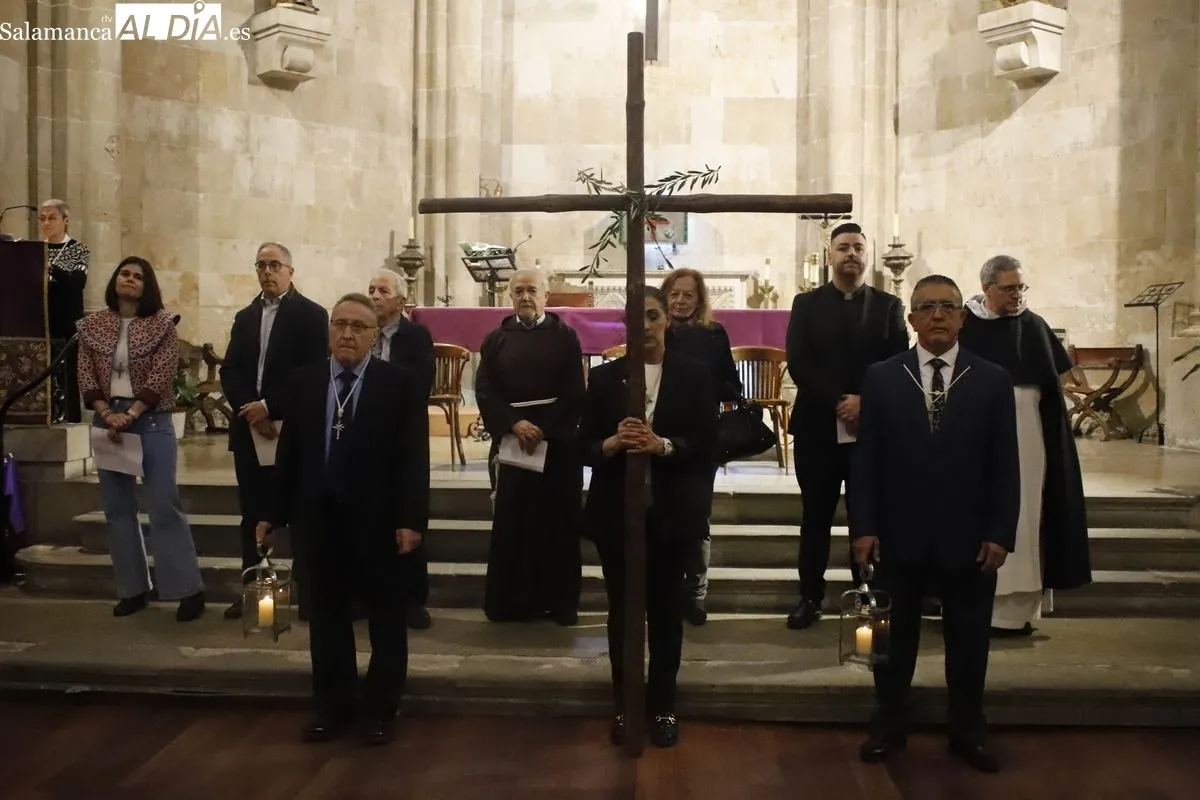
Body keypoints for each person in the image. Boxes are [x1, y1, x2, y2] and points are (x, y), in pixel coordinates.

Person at [850, 275, 1020, 774]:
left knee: (968, 641)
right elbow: (866, 459)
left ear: (963, 317)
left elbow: (1005, 463)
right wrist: (864, 527)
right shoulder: (883, 376)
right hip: (897, 533)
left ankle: (968, 730)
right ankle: (888, 724)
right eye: (927, 307)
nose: (938, 315)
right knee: (890, 640)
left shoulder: (992, 379)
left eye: (947, 306)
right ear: (912, 319)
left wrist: (1000, 531)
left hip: (968, 535)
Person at [258, 293, 430, 746]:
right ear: (329, 330)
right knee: (326, 620)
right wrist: (273, 514)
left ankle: (380, 711)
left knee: (385, 621)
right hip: (319, 518)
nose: (347, 333)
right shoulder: (305, 380)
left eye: (358, 326)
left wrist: (412, 519)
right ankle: (332, 707)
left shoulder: (399, 384)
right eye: (340, 324)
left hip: (379, 520)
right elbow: (289, 453)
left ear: (374, 336)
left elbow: (414, 458)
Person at [582, 286, 717, 749]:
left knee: (664, 616)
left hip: (670, 512)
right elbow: (583, 446)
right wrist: (611, 443)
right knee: (622, 614)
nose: (644, 326)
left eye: (653, 316)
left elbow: (707, 444)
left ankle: (663, 707)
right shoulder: (605, 378)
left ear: (666, 321)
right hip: (616, 514)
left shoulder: (694, 376)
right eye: (635, 317)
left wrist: (664, 445)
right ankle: (625, 705)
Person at [784, 222, 909, 629]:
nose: (851, 253)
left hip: (869, 431)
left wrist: (865, 401)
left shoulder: (888, 306)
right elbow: (798, 362)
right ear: (830, 256)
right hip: (818, 428)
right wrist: (840, 400)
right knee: (815, 518)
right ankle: (810, 597)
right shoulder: (806, 304)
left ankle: (866, 594)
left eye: (858, 247)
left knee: (866, 517)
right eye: (843, 247)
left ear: (866, 255)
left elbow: (898, 361)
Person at [961, 255, 1091, 636]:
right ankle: (978, 604)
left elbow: (1052, 387)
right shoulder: (966, 326)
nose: (1017, 295)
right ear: (986, 289)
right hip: (977, 437)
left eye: (1021, 287)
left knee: (1028, 514)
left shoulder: (1034, 326)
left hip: (1030, 436)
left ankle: (1018, 611)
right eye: (1008, 288)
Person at [76, 256, 206, 621]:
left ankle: (187, 590)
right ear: (115, 280)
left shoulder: (163, 324)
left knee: (163, 504)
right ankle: (133, 589)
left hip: (150, 421)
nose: (130, 280)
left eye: (138, 276)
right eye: (124, 274)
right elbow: (85, 374)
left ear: (147, 286)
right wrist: (106, 413)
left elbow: (162, 374)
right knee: (118, 509)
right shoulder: (92, 326)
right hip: (108, 420)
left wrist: (130, 414)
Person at [219, 242, 329, 621]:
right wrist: (251, 409)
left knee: (298, 513)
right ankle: (256, 595)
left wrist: (270, 406)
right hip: (250, 430)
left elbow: (313, 372)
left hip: (292, 428)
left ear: (290, 272)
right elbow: (230, 370)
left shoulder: (312, 315)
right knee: (253, 514)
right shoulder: (245, 316)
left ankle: (306, 595)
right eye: (261, 265)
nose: (267, 271)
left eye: (274, 265)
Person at [475, 268, 585, 625]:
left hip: (556, 445)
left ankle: (560, 603)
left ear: (545, 297)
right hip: (512, 442)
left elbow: (574, 390)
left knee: (558, 523)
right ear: (510, 296)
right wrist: (514, 423)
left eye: (532, 290)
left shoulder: (565, 336)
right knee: (513, 524)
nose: (525, 296)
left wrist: (544, 428)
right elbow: (485, 390)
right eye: (519, 290)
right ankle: (510, 604)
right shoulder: (495, 339)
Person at [660, 268, 741, 628]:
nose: (680, 301)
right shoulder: (656, 330)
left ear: (699, 299)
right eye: (674, 294)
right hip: (658, 435)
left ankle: (695, 594)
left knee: (696, 517)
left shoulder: (713, 334)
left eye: (688, 295)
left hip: (699, 438)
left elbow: (732, 385)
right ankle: (662, 591)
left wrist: (700, 382)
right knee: (661, 516)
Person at [367, 269, 436, 629]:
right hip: (363, 434)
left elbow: (419, 384)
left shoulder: (416, 336)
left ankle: (412, 600)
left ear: (400, 299)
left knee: (407, 513)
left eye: (383, 290)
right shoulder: (363, 332)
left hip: (402, 432)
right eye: (371, 290)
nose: (375, 296)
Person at [41, 199, 90, 423]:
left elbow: (76, 283)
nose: (46, 223)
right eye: (42, 218)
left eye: (52, 218)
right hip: (40, 322)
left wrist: (53, 269)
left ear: (66, 220)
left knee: (68, 374)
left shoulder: (77, 250)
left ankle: (70, 419)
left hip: (66, 322)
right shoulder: (36, 250)